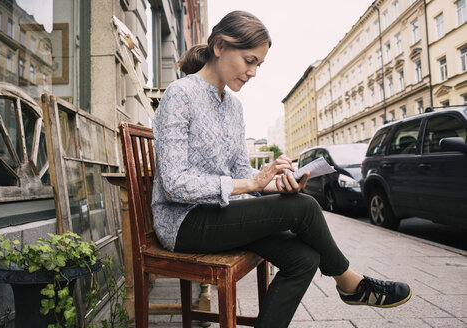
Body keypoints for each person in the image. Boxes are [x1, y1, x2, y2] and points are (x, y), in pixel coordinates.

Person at [152, 10, 411, 328]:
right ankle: (350, 282)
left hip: (222, 215)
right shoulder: (179, 96)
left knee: (304, 259)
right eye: (249, 61)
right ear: (219, 46)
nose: (253, 73)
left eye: (258, 65)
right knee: (304, 207)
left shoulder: (233, 106)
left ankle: (346, 284)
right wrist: (251, 185)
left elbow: (239, 168)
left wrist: (272, 184)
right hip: (183, 223)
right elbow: (174, 184)